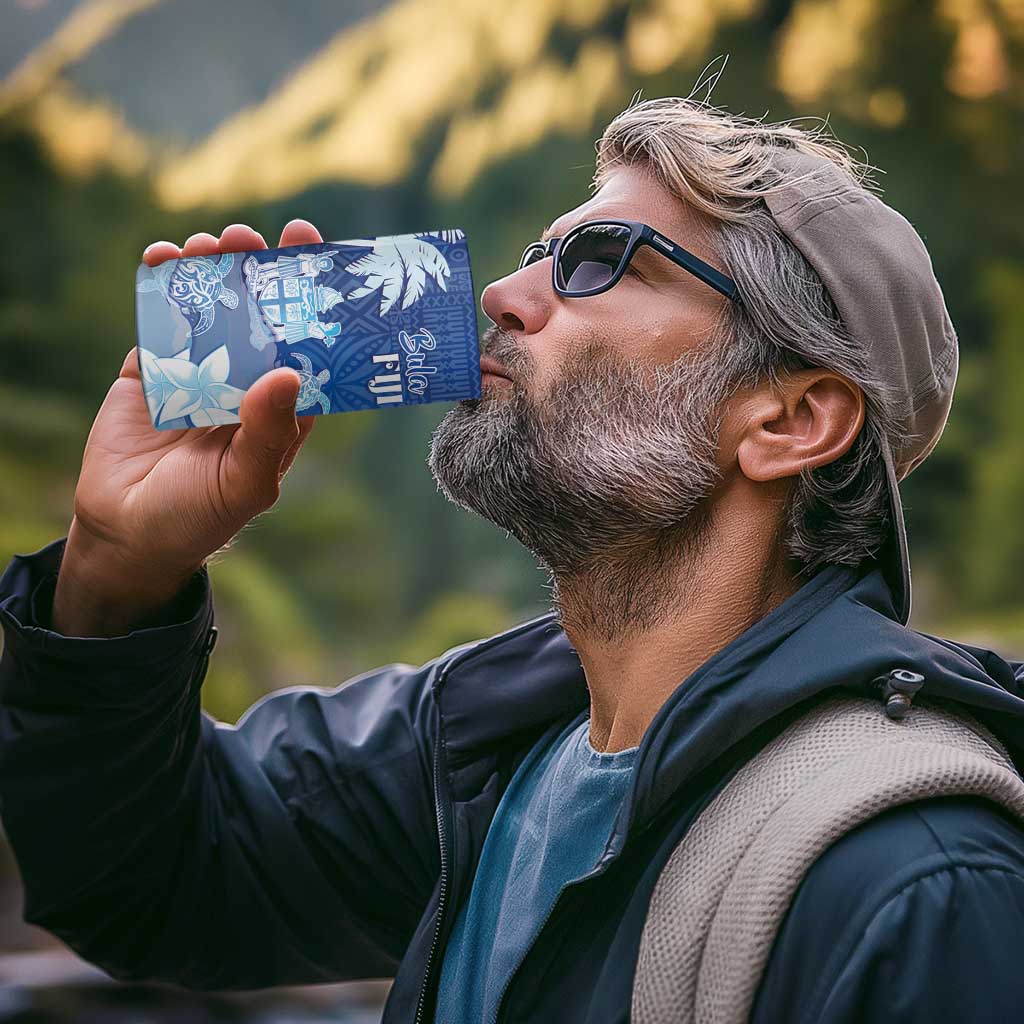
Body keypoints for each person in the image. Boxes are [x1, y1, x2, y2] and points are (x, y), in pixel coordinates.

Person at [2, 95, 1024, 1024]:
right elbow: (149, 880)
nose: (502, 291)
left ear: (791, 419)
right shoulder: (480, 749)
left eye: (599, 261)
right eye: (540, 252)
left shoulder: (918, 883)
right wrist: (116, 572)